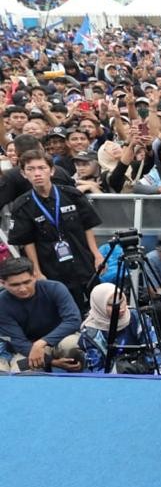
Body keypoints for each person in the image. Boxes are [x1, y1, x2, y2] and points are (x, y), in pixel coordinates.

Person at [6, 150, 102, 315]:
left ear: (51, 170)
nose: (37, 173)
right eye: (31, 169)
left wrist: (97, 255)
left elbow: (87, 227)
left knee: (98, 305)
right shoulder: (22, 205)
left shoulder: (72, 194)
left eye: (41, 168)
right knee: (65, 312)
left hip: (82, 260)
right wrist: (36, 271)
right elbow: (27, 242)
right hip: (51, 267)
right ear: (23, 173)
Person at [0, 257, 84, 373]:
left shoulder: (55, 288)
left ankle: (79, 374)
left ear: (34, 276)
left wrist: (41, 342)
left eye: (27, 282)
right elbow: (18, 341)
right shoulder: (2, 303)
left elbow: (73, 320)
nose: (22, 289)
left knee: (71, 344)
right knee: (21, 372)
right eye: (15, 285)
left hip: (61, 338)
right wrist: (52, 362)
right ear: (3, 283)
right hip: (28, 348)